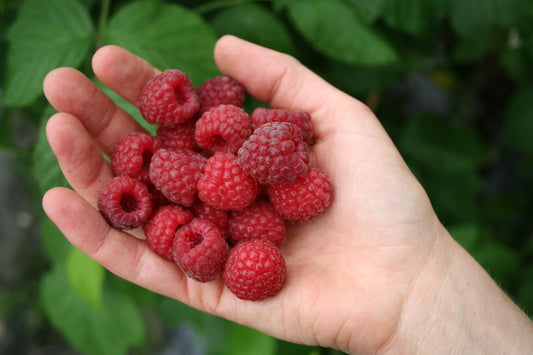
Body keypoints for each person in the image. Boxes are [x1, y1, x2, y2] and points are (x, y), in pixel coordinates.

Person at [42, 35, 533, 354]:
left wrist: (418, 293)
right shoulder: (200, 170)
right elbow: (209, 167)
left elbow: (247, 170)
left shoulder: (255, 173)